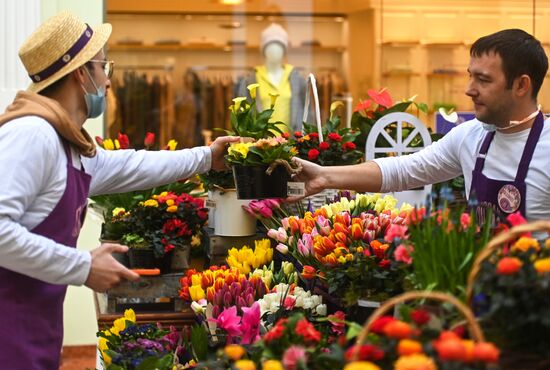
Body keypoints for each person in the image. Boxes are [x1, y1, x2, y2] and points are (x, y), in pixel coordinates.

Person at [0, 11, 238, 369]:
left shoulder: (67, 144)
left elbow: (131, 165)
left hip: (34, 326)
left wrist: (207, 157)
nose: (109, 81)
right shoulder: (32, 135)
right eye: (103, 67)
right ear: (81, 74)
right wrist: (82, 265)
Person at [293, 28, 550, 222]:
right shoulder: (470, 137)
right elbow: (403, 170)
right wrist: (325, 176)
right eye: (471, 77)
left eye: (483, 80)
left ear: (521, 85)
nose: (469, 90)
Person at [237, 23, 310, 133]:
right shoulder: (250, 80)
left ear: (285, 50)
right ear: (263, 49)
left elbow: (308, 113)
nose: (275, 51)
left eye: (279, 46)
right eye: (270, 46)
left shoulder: (297, 79)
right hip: (262, 146)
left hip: (292, 144)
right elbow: (242, 116)